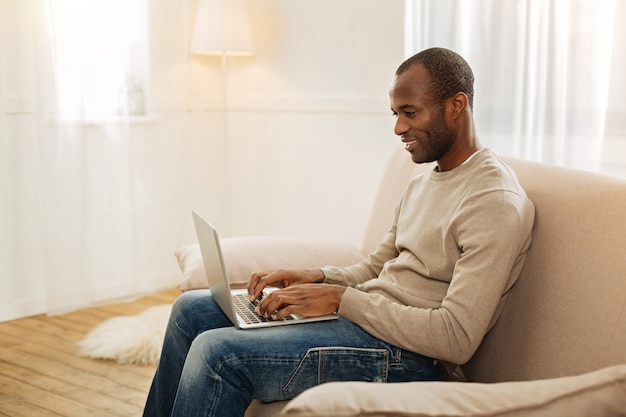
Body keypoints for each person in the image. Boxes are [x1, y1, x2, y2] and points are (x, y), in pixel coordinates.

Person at [143, 47, 535, 417]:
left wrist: (339, 299)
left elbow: (455, 338)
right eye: (396, 113)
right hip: (367, 328)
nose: (399, 127)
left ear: (457, 105)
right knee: (190, 310)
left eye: (410, 112)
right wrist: (317, 277)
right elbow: (377, 268)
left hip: (410, 358)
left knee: (218, 353)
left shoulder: (493, 201)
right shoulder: (423, 183)